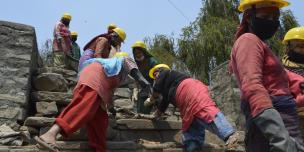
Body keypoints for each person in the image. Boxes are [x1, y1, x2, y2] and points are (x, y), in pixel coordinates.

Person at [35, 52, 150, 152]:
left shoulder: (113, 71)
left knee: (100, 119)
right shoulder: (124, 60)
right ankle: (50, 134)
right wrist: (147, 84)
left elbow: (110, 94)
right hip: (93, 80)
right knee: (83, 108)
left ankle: (98, 148)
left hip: (94, 82)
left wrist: (111, 109)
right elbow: (137, 74)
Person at [229, 0, 304, 151]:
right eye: (266, 16)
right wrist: (279, 137)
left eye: (276, 18)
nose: (272, 22)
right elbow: (252, 86)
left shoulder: (260, 44)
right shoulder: (249, 41)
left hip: (284, 119)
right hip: (272, 122)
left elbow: (282, 76)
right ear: (249, 16)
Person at [148, 64, 239, 152]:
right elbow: (163, 105)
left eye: (155, 74)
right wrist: (155, 115)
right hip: (185, 100)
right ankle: (193, 147)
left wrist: (151, 98)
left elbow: (156, 89)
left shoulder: (166, 72)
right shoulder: (167, 91)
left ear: (161, 70)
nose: (155, 77)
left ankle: (230, 136)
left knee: (205, 112)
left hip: (190, 90)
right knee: (191, 124)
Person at [132, 41, 159, 114]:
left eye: (139, 53)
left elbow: (158, 77)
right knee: (141, 109)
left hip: (155, 88)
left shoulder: (152, 62)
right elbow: (136, 78)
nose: (138, 55)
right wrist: (135, 90)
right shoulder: (136, 64)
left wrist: (154, 90)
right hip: (143, 91)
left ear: (144, 52)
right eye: (135, 54)